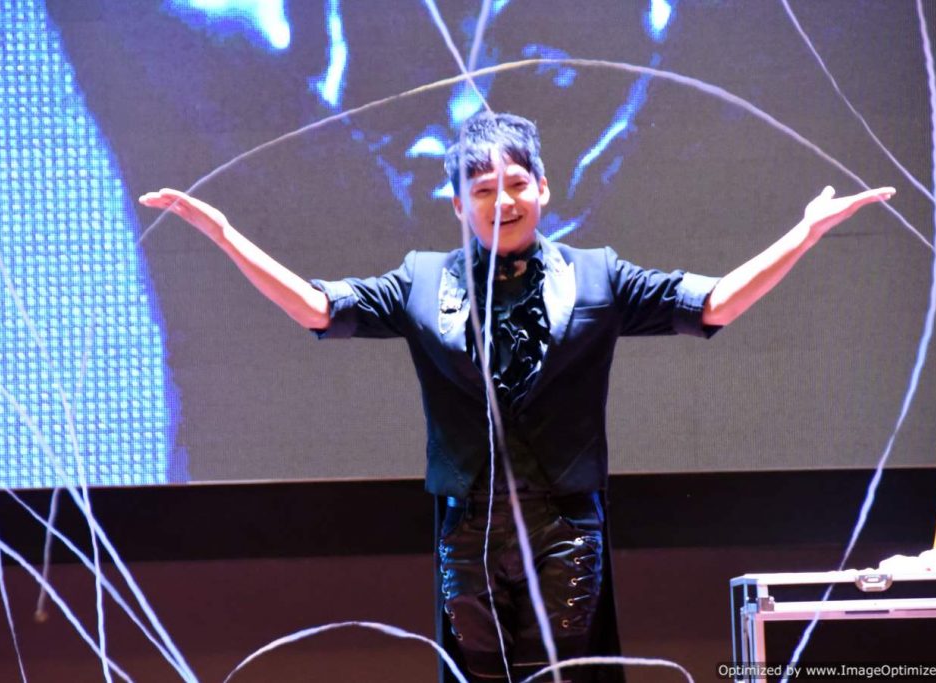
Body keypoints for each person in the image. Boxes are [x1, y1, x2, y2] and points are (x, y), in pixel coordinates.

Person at [140, 112, 894, 682]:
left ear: (543, 187)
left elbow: (714, 304)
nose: (502, 200)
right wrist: (224, 234)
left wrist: (804, 234)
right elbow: (316, 308)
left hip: (566, 529)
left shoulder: (597, 275)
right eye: (482, 189)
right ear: (457, 203)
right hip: (467, 532)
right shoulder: (421, 279)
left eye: (516, 184)